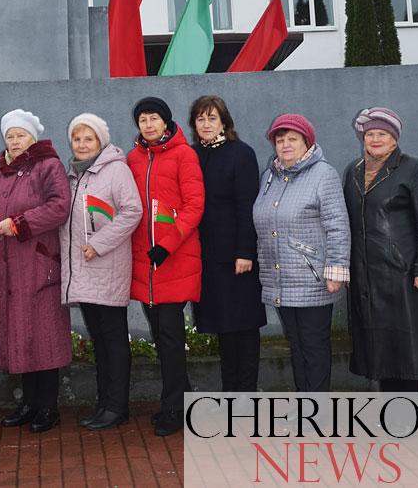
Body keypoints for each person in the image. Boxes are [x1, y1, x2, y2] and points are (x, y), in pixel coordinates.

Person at [343, 106, 418, 391]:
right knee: (382, 353)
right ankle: (392, 415)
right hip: (367, 277)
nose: (375, 139)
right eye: (370, 133)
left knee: (408, 354)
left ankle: (406, 420)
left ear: (395, 138)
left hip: (404, 276)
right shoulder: (353, 171)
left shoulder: (414, 168)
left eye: (382, 133)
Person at [253, 113, 350, 392]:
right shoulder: (270, 176)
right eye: (280, 140)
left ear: (306, 142)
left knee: (314, 345)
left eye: (292, 139)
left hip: (313, 278)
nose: (285, 145)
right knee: (296, 344)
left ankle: (316, 410)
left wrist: (336, 269)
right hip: (281, 278)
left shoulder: (323, 174)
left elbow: (338, 225)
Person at [127, 97, 204, 437]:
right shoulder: (133, 158)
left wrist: (167, 246)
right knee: (161, 338)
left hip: (173, 260)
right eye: (143, 119)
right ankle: (184, 398)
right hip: (145, 262)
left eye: (154, 118)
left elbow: (194, 205)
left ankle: (173, 408)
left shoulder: (184, 154)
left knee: (171, 339)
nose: (148, 124)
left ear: (166, 122)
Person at [59, 113, 142, 429]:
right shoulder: (72, 175)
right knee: (100, 339)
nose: (81, 144)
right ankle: (104, 403)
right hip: (82, 269)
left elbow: (132, 210)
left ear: (101, 142)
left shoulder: (116, 170)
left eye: (88, 138)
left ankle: (117, 407)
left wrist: (100, 243)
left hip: (106, 266)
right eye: (77, 138)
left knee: (113, 338)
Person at [0, 109, 71, 433]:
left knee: (44, 336)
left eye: (20, 135)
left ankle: (48, 407)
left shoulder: (48, 165)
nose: (14, 141)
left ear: (32, 138)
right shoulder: (3, 172)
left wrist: (19, 224)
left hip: (38, 262)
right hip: (8, 264)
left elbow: (60, 206)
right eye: (10, 136)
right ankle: (28, 403)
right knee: (19, 333)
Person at [189, 95, 266, 391]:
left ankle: (245, 393)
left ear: (224, 121)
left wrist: (245, 251)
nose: (206, 124)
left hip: (237, 257)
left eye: (212, 118)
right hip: (207, 258)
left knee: (244, 328)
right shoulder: (192, 154)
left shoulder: (241, 153)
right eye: (200, 118)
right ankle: (230, 392)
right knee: (223, 328)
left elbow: (248, 206)